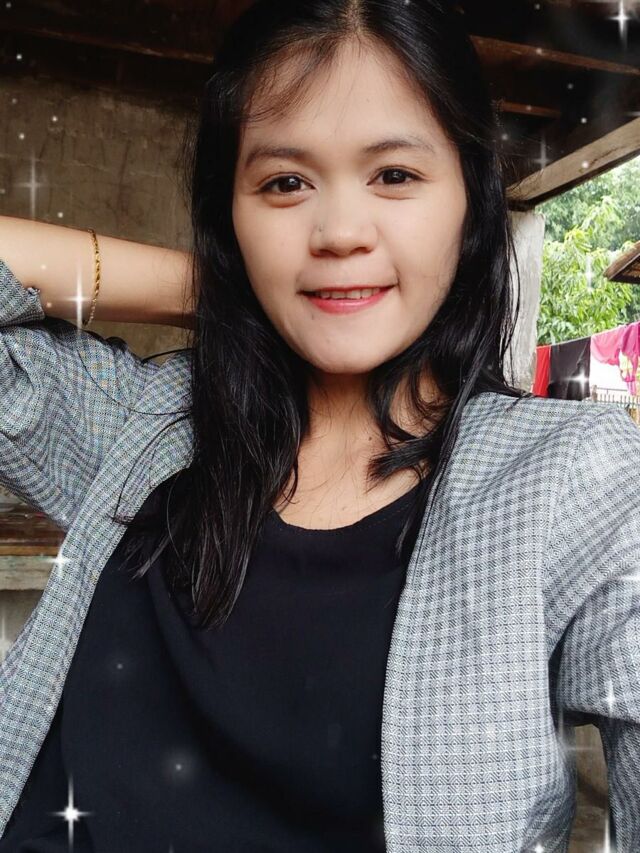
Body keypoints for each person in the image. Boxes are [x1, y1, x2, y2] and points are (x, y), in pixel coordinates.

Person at [0, 0, 638, 850]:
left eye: (395, 175)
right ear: (230, 210)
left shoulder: (572, 485)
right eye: (284, 183)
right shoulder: (140, 423)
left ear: (471, 202)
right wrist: (216, 287)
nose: (338, 233)